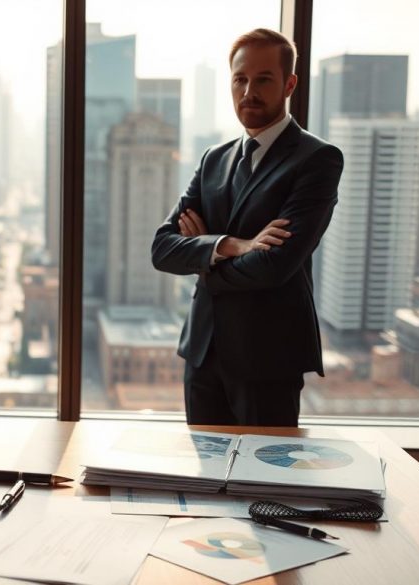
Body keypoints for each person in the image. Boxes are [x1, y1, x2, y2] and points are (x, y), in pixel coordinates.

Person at [151, 28, 343, 427]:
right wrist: (232, 245)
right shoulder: (213, 159)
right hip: (203, 354)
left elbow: (276, 266)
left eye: (263, 79)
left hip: (269, 360)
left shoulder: (317, 160)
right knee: (203, 481)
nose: (248, 91)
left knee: (265, 485)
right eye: (240, 79)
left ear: (289, 84)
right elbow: (163, 249)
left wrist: (205, 264)